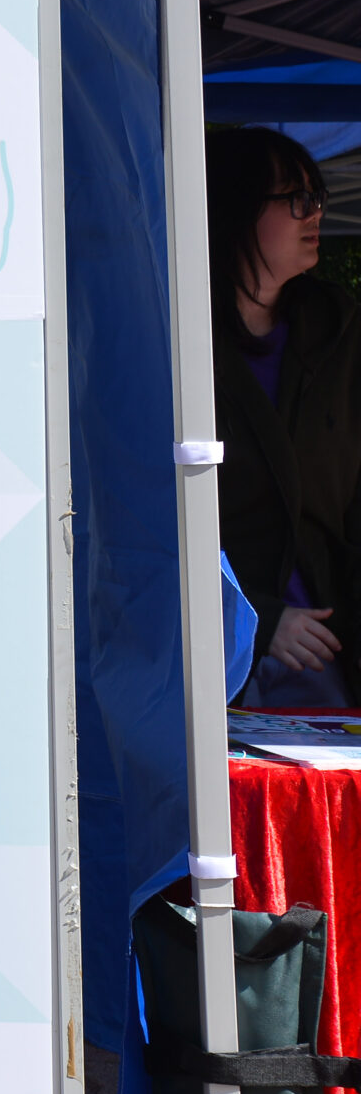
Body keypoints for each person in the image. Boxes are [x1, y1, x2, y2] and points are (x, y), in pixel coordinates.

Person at [207, 125, 361, 708]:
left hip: (338, 668)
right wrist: (260, 622)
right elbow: (150, 526)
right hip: (214, 674)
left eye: (316, 197)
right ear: (235, 210)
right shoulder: (174, 344)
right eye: (295, 199)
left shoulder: (343, 332)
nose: (313, 212)